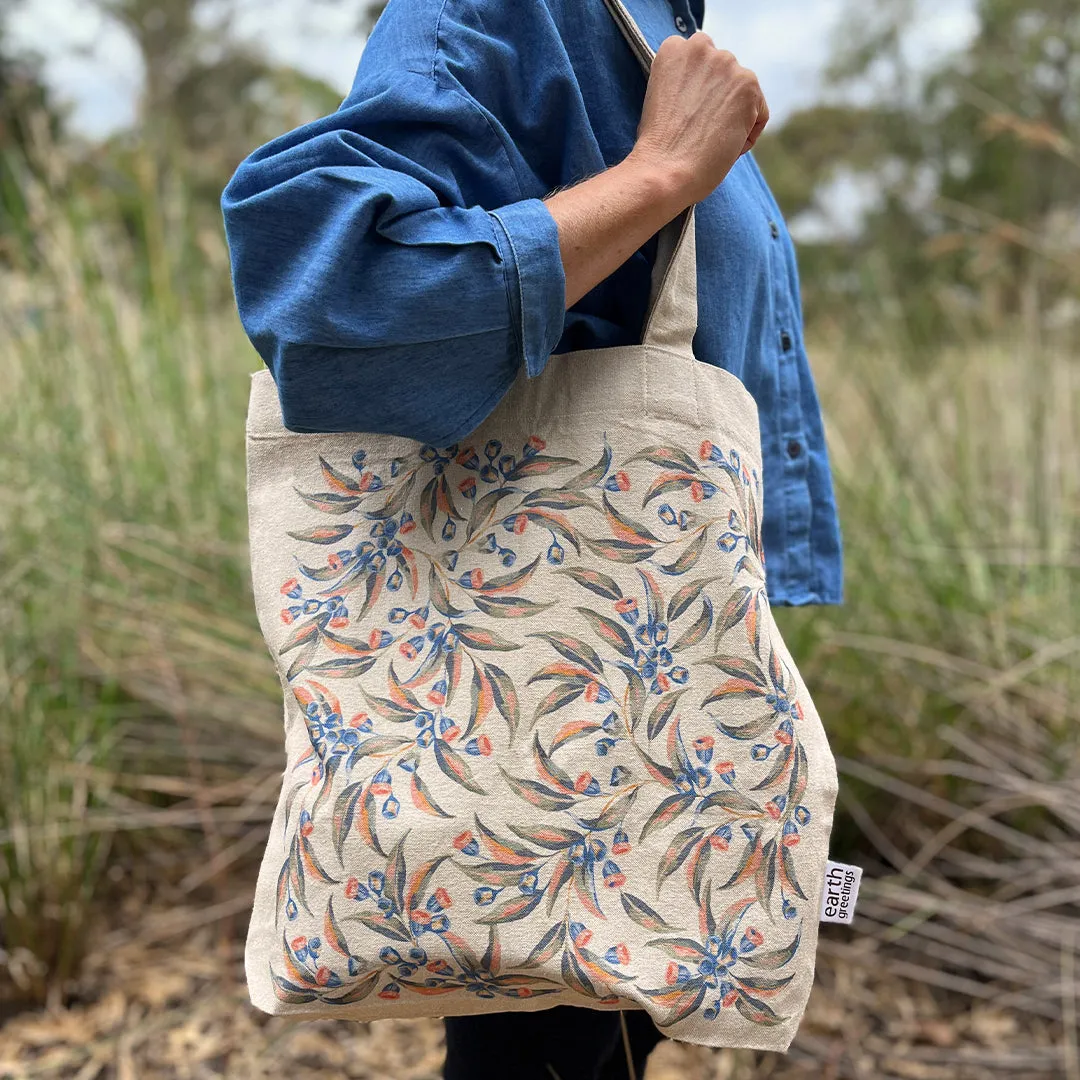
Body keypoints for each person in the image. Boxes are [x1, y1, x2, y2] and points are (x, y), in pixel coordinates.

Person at [223, 1, 844, 1075]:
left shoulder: (661, 27)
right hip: (544, 675)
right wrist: (659, 174)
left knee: (599, 1045)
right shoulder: (515, 10)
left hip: (654, 656)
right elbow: (329, 292)